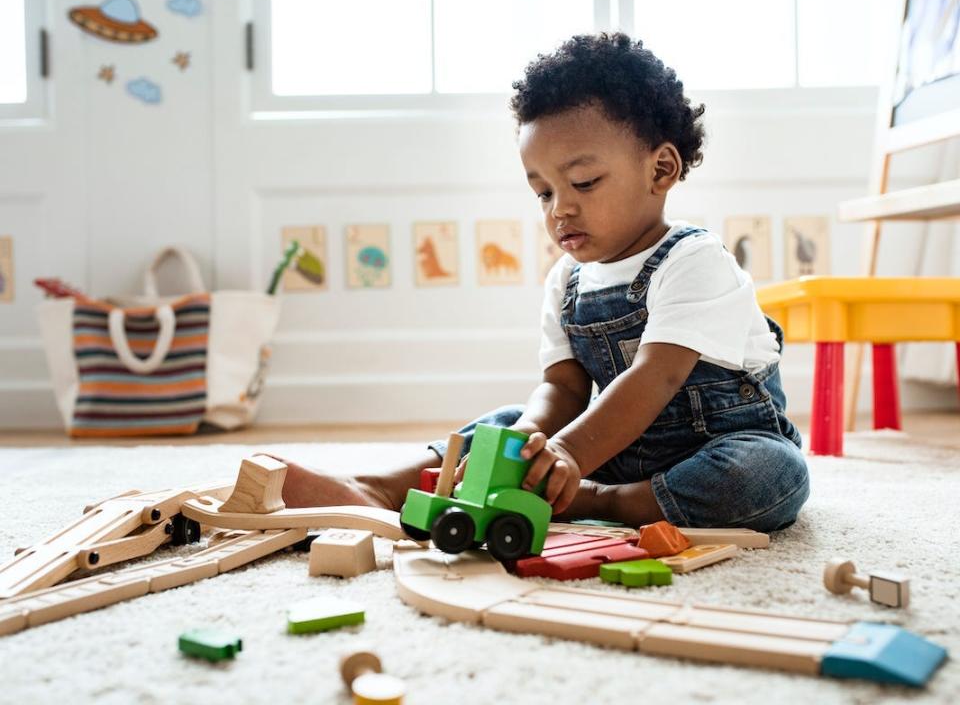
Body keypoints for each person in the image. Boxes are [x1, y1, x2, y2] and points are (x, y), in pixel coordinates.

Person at [280, 32, 809, 531]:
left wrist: (570, 455)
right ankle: (379, 488)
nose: (562, 208)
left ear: (661, 169)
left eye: (583, 182)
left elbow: (656, 379)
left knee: (767, 473)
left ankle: (603, 502)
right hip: (610, 448)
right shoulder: (568, 280)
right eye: (543, 192)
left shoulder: (695, 260)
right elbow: (563, 389)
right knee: (507, 423)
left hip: (712, 446)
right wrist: (525, 442)